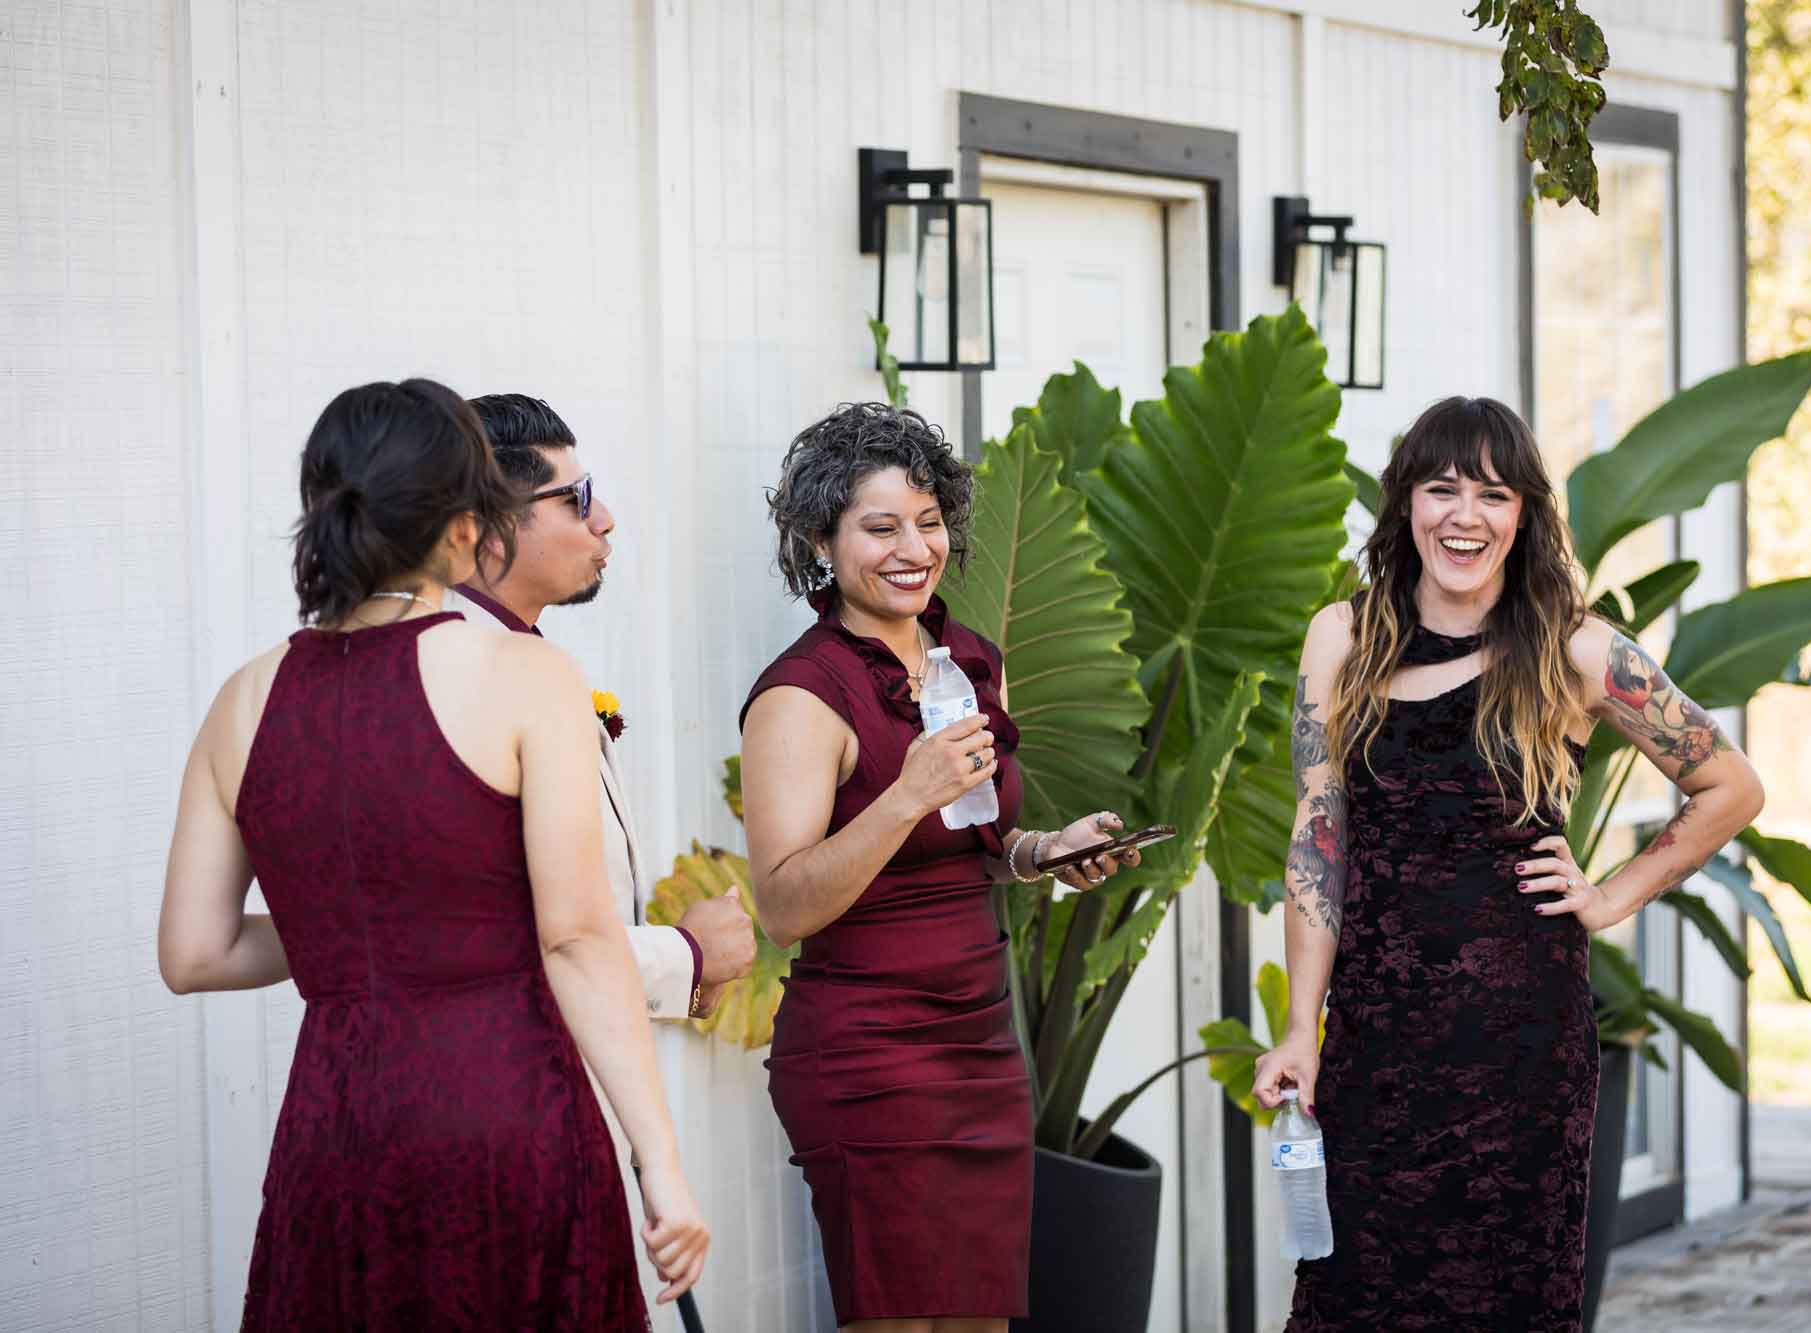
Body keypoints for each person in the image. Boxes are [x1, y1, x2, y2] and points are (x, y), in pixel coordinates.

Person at [156, 378, 709, 1329]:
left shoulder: (242, 699)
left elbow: (194, 954)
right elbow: (577, 939)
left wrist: (362, 923)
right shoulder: (524, 674)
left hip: (333, 1133)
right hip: (505, 1115)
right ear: (466, 527)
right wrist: (660, 1158)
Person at [1251, 396, 1765, 1332]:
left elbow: (1729, 784)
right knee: (1350, 1301)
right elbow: (1320, 843)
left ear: (1522, 513)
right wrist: (1300, 1025)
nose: (1465, 515)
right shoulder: (1345, 637)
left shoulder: (1576, 647)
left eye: (1492, 493)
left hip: (1520, 1054)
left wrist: (1611, 896)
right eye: (1441, 488)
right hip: (1374, 1048)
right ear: (1404, 501)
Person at [737, 402, 1141, 1332]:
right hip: (868, 1053)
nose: (912, 547)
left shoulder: (969, 661)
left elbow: (969, 849)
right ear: (821, 540)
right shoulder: (800, 696)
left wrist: (1045, 852)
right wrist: (906, 792)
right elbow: (785, 904)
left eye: (928, 522)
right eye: (880, 527)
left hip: (981, 1049)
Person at [444, 391, 753, 1321]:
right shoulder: (473, 680)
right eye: (579, 499)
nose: (605, 518)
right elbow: (518, 940)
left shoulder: (519, 662)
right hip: (509, 1112)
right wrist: (688, 953)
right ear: (492, 525)